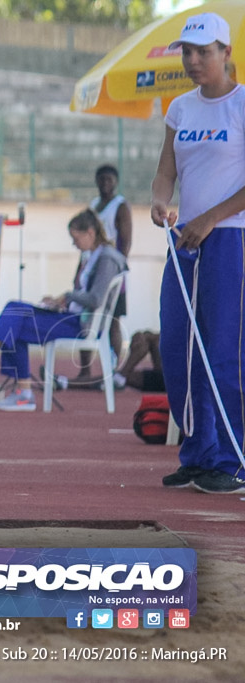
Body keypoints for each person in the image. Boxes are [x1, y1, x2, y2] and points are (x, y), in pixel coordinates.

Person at [150, 12, 245, 494]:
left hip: (231, 239)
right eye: (186, 51)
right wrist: (160, 200)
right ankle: (197, 452)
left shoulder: (243, 104)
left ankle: (233, 459)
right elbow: (166, 170)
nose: (192, 60)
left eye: (203, 52)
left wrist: (211, 217)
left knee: (223, 350)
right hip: (184, 240)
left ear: (226, 53)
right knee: (178, 348)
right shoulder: (180, 108)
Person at [0, 210, 127, 412]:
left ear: (90, 233)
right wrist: (61, 302)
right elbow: (86, 296)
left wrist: (67, 296)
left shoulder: (107, 259)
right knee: (14, 321)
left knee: (14, 311)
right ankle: (22, 394)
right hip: (70, 316)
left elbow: (95, 299)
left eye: (76, 238)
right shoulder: (93, 256)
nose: (74, 244)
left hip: (80, 324)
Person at [77, 164, 133, 380]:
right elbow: (83, 241)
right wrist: (79, 268)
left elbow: (126, 242)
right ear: (96, 181)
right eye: (102, 180)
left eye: (109, 180)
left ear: (116, 182)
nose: (105, 184)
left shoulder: (121, 206)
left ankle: (117, 371)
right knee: (84, 319)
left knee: (113, 322)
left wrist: (115, 269)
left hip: (110, 270)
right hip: (89, 268)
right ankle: (85, 371)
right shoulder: (93, 206)